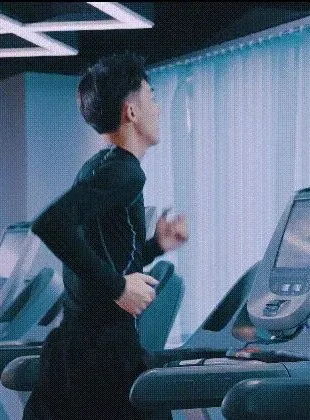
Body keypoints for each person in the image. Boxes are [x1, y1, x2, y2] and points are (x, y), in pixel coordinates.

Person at [24, 52, 189, 420]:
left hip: (76, 347)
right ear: (132, 112)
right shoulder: (126, 172)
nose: (158, 110)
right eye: (152, 98)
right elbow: (51, 225)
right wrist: (118, 288)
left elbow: (100, 251)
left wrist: (156, 246)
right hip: (103, 356)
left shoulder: (98, 165)